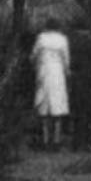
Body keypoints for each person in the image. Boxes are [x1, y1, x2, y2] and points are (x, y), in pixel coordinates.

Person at [31, 18, 71, 151]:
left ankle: (45, 138)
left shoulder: (41, 38)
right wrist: (66, 70)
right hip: (58, 73)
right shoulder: (62, 39)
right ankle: (57, 140)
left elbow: (34, 55)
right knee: (57, 107)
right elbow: (66, 59)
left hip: (43, 72)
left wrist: (36, 66)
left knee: (44, 106)